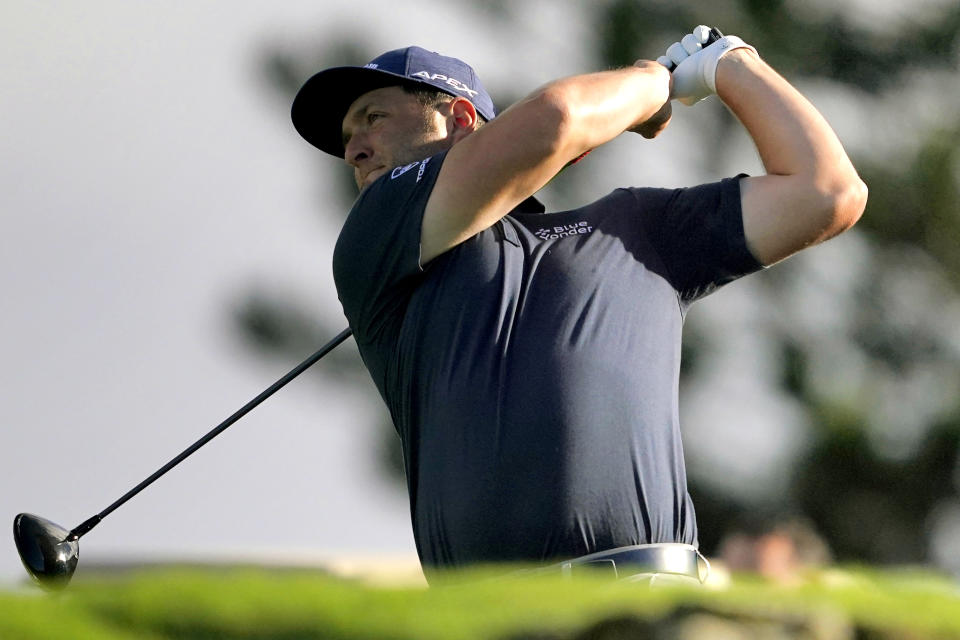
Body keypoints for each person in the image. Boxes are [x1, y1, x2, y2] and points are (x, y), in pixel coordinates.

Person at [290, 27, 867, 583]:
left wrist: (729, 64)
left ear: (461, 119)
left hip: (652, 609)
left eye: (374, 118)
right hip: (488, 625)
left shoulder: (636, 228)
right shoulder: (376, 238)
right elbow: (558, 120)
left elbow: (828, 193)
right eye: (346, 138)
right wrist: (653, 84)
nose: (354, 150)